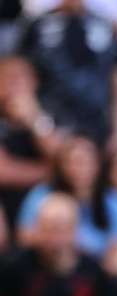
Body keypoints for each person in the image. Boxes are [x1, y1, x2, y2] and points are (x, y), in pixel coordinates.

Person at [18, 0, 117, 152]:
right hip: (52, 130)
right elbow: (20, 77)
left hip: (100, 130)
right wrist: (41, 127)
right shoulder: (37, 27)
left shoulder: (105, 26)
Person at [17, 135, 117, 258]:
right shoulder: (42, 195)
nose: (79, 169)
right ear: (61, 165)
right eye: (73, 162)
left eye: (86, 162)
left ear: (98, 165)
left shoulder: (113, 200)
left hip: (99, 271)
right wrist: (58, 237)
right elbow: (25, 237)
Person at [0, 55, 61, 227]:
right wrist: (52, 173)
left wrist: (34, 119)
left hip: (48, 212)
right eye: (7, 77)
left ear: (34, 81)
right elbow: (3, 173)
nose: (14, 84)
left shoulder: (50, 114)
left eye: (21, 77)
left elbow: (62, 157)